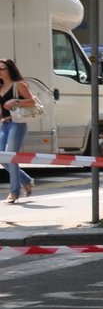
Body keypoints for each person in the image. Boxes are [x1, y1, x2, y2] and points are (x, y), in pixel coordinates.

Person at [0, 59, 38, 204]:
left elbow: (32, 101)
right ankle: (26, 180)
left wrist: (15, 101)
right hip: (4, 124)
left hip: (17, 124)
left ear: (9, 70)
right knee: (2, 157)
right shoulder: (1, 86)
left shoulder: (18, 85)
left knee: (11, 156)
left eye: (1, 69)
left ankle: (14, 192)